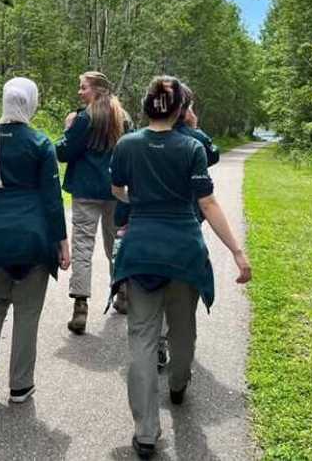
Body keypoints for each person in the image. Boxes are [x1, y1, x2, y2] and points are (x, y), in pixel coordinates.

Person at [110, 76, 252, 459]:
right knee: (183, 328)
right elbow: (207, 203)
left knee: (141, 337)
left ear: (146, 106)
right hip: (183, 249)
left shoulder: (126, 145)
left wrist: (139, 199)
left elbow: (117, 190)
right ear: (180, 109)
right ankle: (177, 383)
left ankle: (145, 432)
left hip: (140, 248)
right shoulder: (192, 148)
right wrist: (237, 252)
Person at [0, 78, 70, 404]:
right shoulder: (40, 143)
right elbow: (52, 199)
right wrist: (62, 242)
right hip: (33, 236)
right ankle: (21, 385)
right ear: (31, 102)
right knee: (27, 309)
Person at [55, 70, 133, 332]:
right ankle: (123, 295)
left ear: (97, 90)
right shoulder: (123, 118)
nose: (80, 92)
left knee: (82, 247)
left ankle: (80, 306)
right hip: (116, 190)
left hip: (86, 189)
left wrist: (67, 129)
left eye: (83, 87)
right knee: (116, 245)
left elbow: (63, 152)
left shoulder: (83, 119)